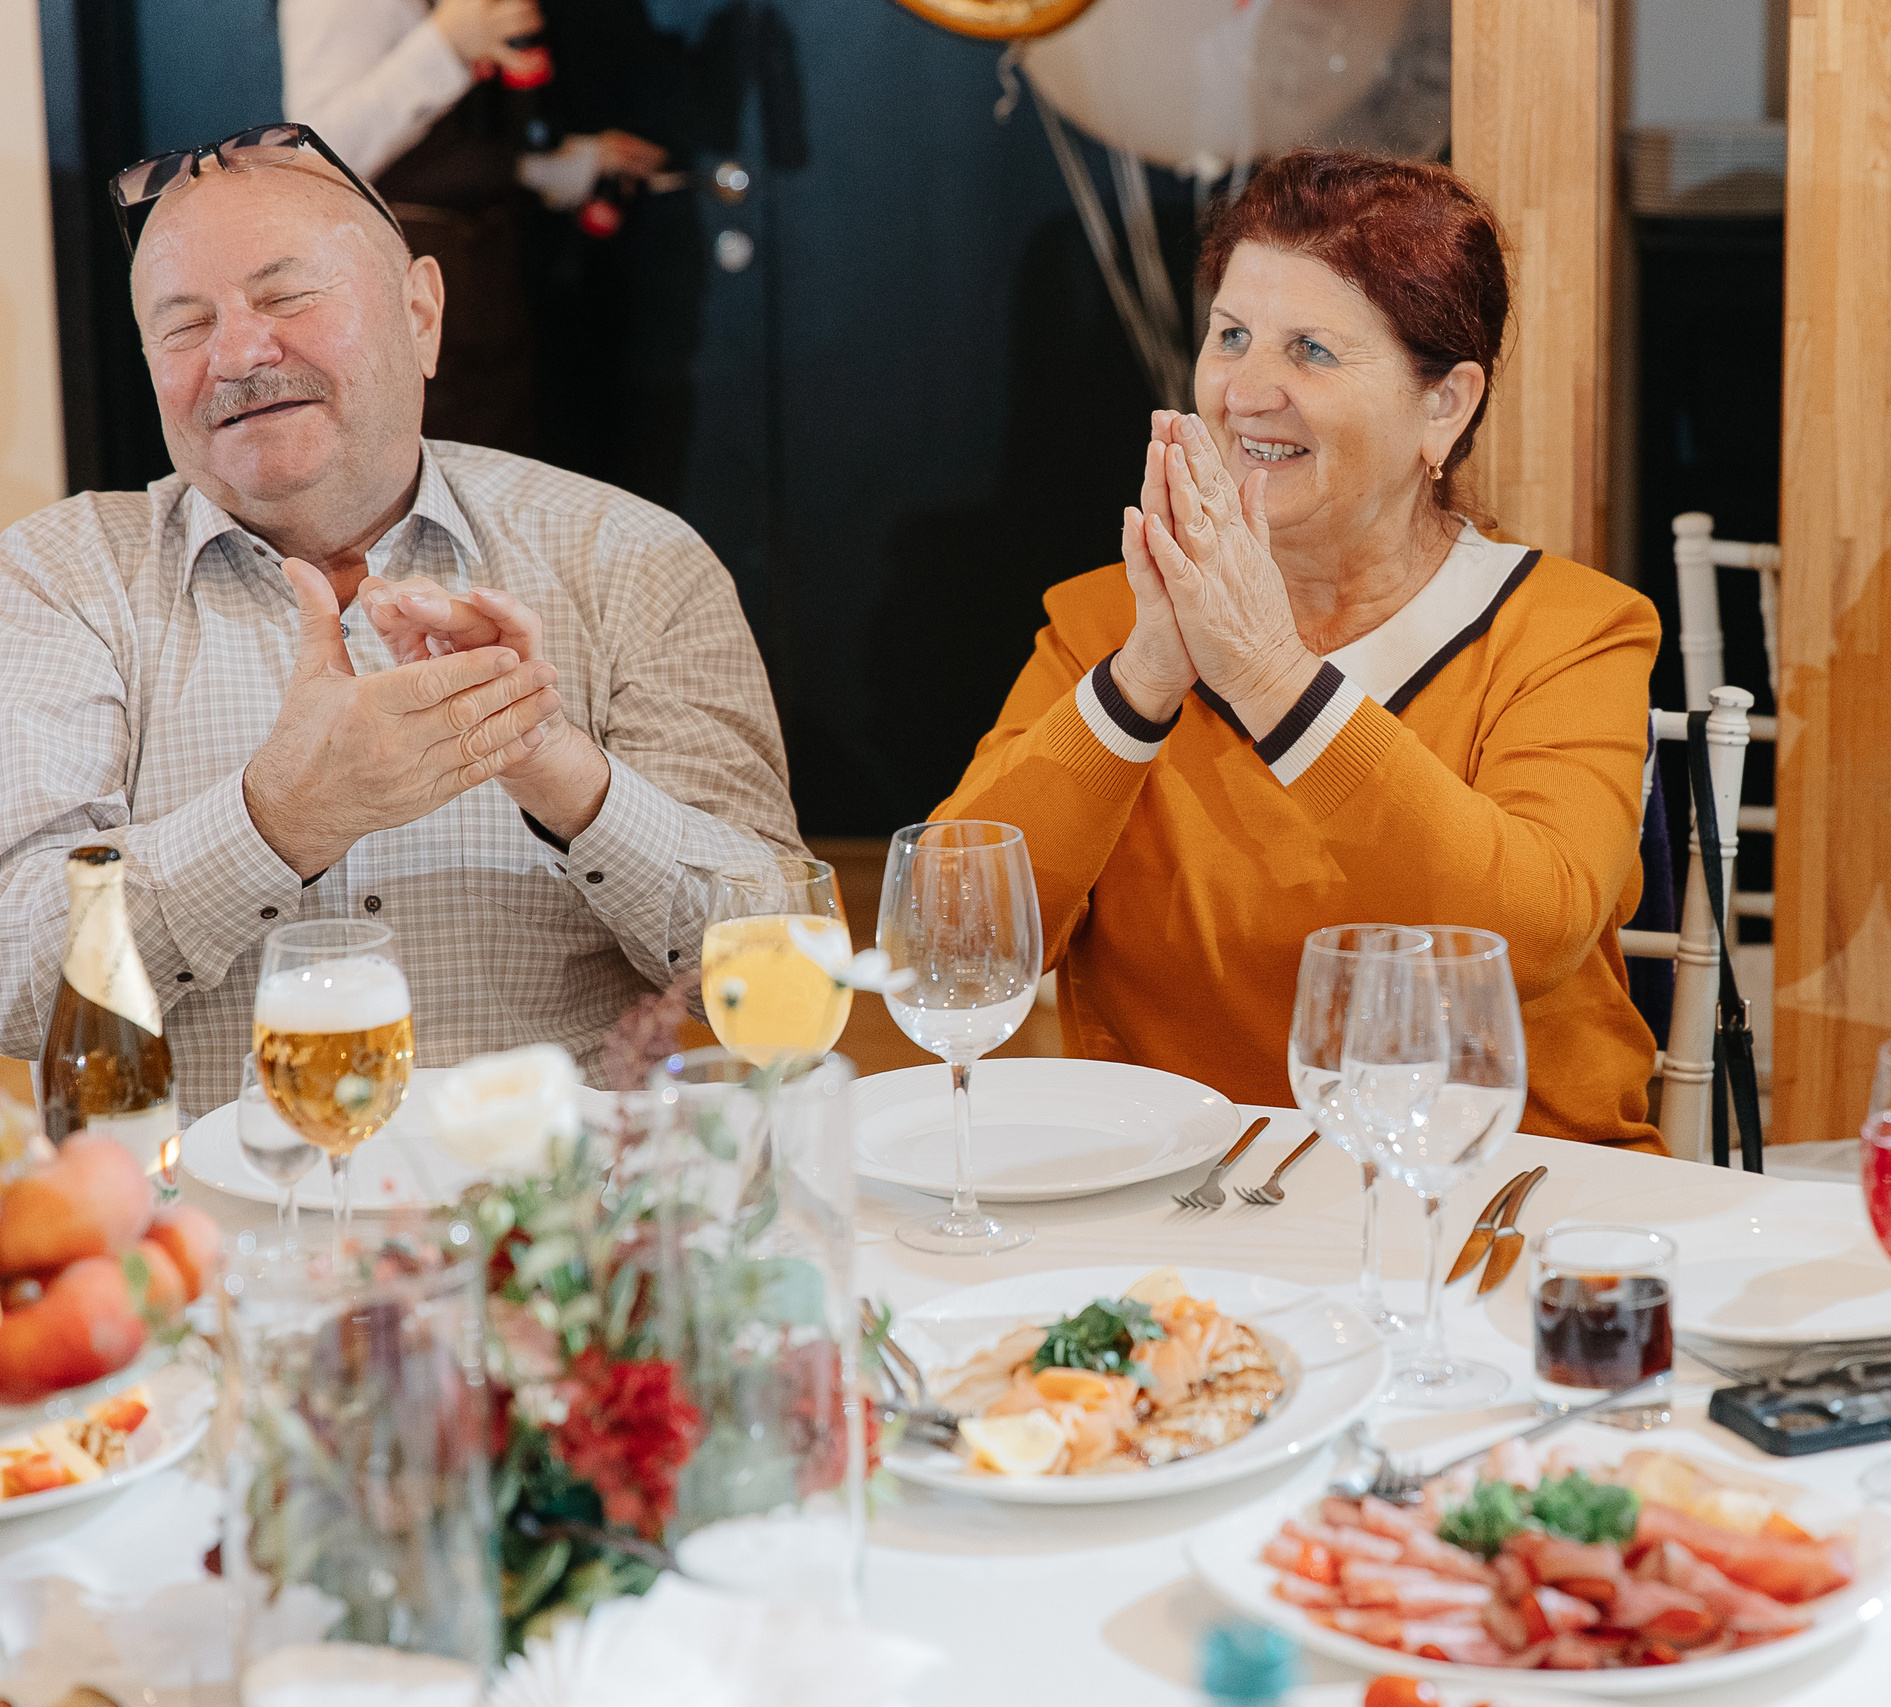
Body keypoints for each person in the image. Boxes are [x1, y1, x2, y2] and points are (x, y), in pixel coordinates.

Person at [0, 128, 800, 1115]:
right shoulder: (56, 577)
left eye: (287, 295)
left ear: (420, 314)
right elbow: (14, 987)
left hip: (564, 1238)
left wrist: (564, 776)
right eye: (183, 322)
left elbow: (779, 960)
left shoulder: (629, 557)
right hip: (202, 1243)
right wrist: (278, 818)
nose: (239, 352)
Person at [937, 151, 1662, 1149]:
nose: (1246, 390)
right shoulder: (1108, 628)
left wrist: (1273, 681)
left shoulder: (1570, 630)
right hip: (1175, 1206)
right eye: (1231, 336)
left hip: (1495, 1203)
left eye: (1312, 351)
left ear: (1443, 405)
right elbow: (950, 941)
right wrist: (1147, 676)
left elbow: (1527, 936)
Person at [279, 0, 667, 451]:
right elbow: (319, 150)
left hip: (483, 280)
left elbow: (443, 154)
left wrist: (571, 166)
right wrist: (446, 44)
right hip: (407, 299)